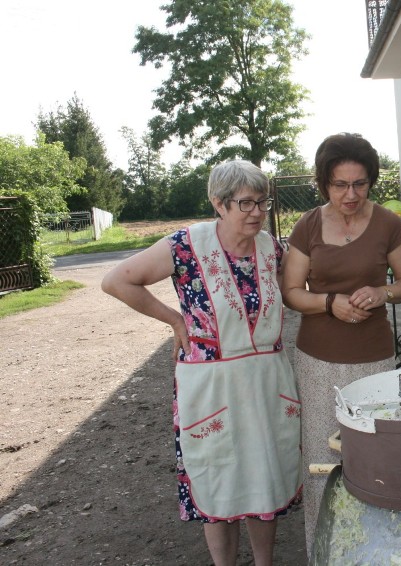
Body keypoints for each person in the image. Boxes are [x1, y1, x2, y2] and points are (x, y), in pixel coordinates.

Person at [101, 160, 302, 566]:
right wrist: (174, 319)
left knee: (266, 475)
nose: (257, 212)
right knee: (219, 474)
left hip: (266, 381)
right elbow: (116, 280)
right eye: (245, 203)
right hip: (211, 385)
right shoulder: (185, 246)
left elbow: (294, 294)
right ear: (218, 203)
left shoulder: (273, 249)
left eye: (262, 202)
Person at [281, 133, 401, 555]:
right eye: (340, 184)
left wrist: (384, 293)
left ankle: (377, 552)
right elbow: (291, 291)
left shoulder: (388, 224)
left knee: (377, 457)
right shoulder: (307, 225)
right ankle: (325, 552)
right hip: (318, 362)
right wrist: (328, 303)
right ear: (324, 183)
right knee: (324, 462)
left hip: (374, 360)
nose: (351, 194)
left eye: (360, 184)